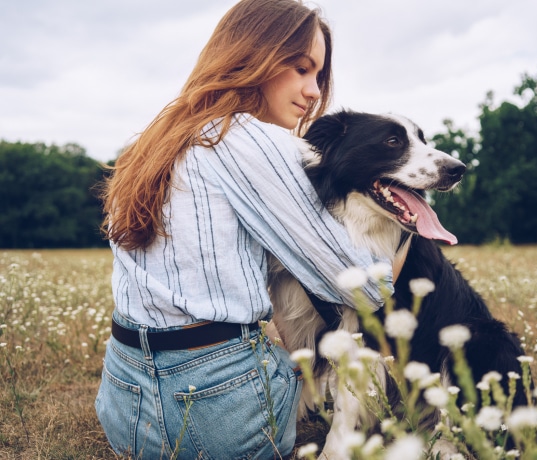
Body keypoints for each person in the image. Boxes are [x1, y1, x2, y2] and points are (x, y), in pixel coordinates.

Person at [95, 0, 396, 458]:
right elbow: (363, 289)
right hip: (215, 412)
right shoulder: (251, 138)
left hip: (122, 399)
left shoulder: (158, 138)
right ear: (253, 56)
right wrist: (402, 234)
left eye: (318, 76)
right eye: (300, 69)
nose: (314, 91)